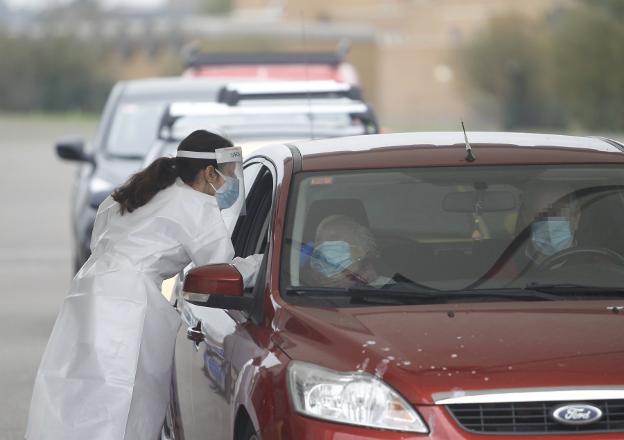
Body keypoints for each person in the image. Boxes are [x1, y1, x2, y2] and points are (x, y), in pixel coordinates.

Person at [26, 130, 261, 440]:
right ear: (208, 173)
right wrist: (258, 263)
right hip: (128, 302)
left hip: (88, 290)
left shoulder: (145, 188)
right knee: (125, 398)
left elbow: (101, 234)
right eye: (229, 175)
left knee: (77, 390)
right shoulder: (198, 207)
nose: (231, 184)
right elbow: (219, 266)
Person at [302, 214, 391, 288]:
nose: (323, 245)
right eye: (319, 240)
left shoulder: (386, 289)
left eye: (334, 238)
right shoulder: (300, 285)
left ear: (360, 251)